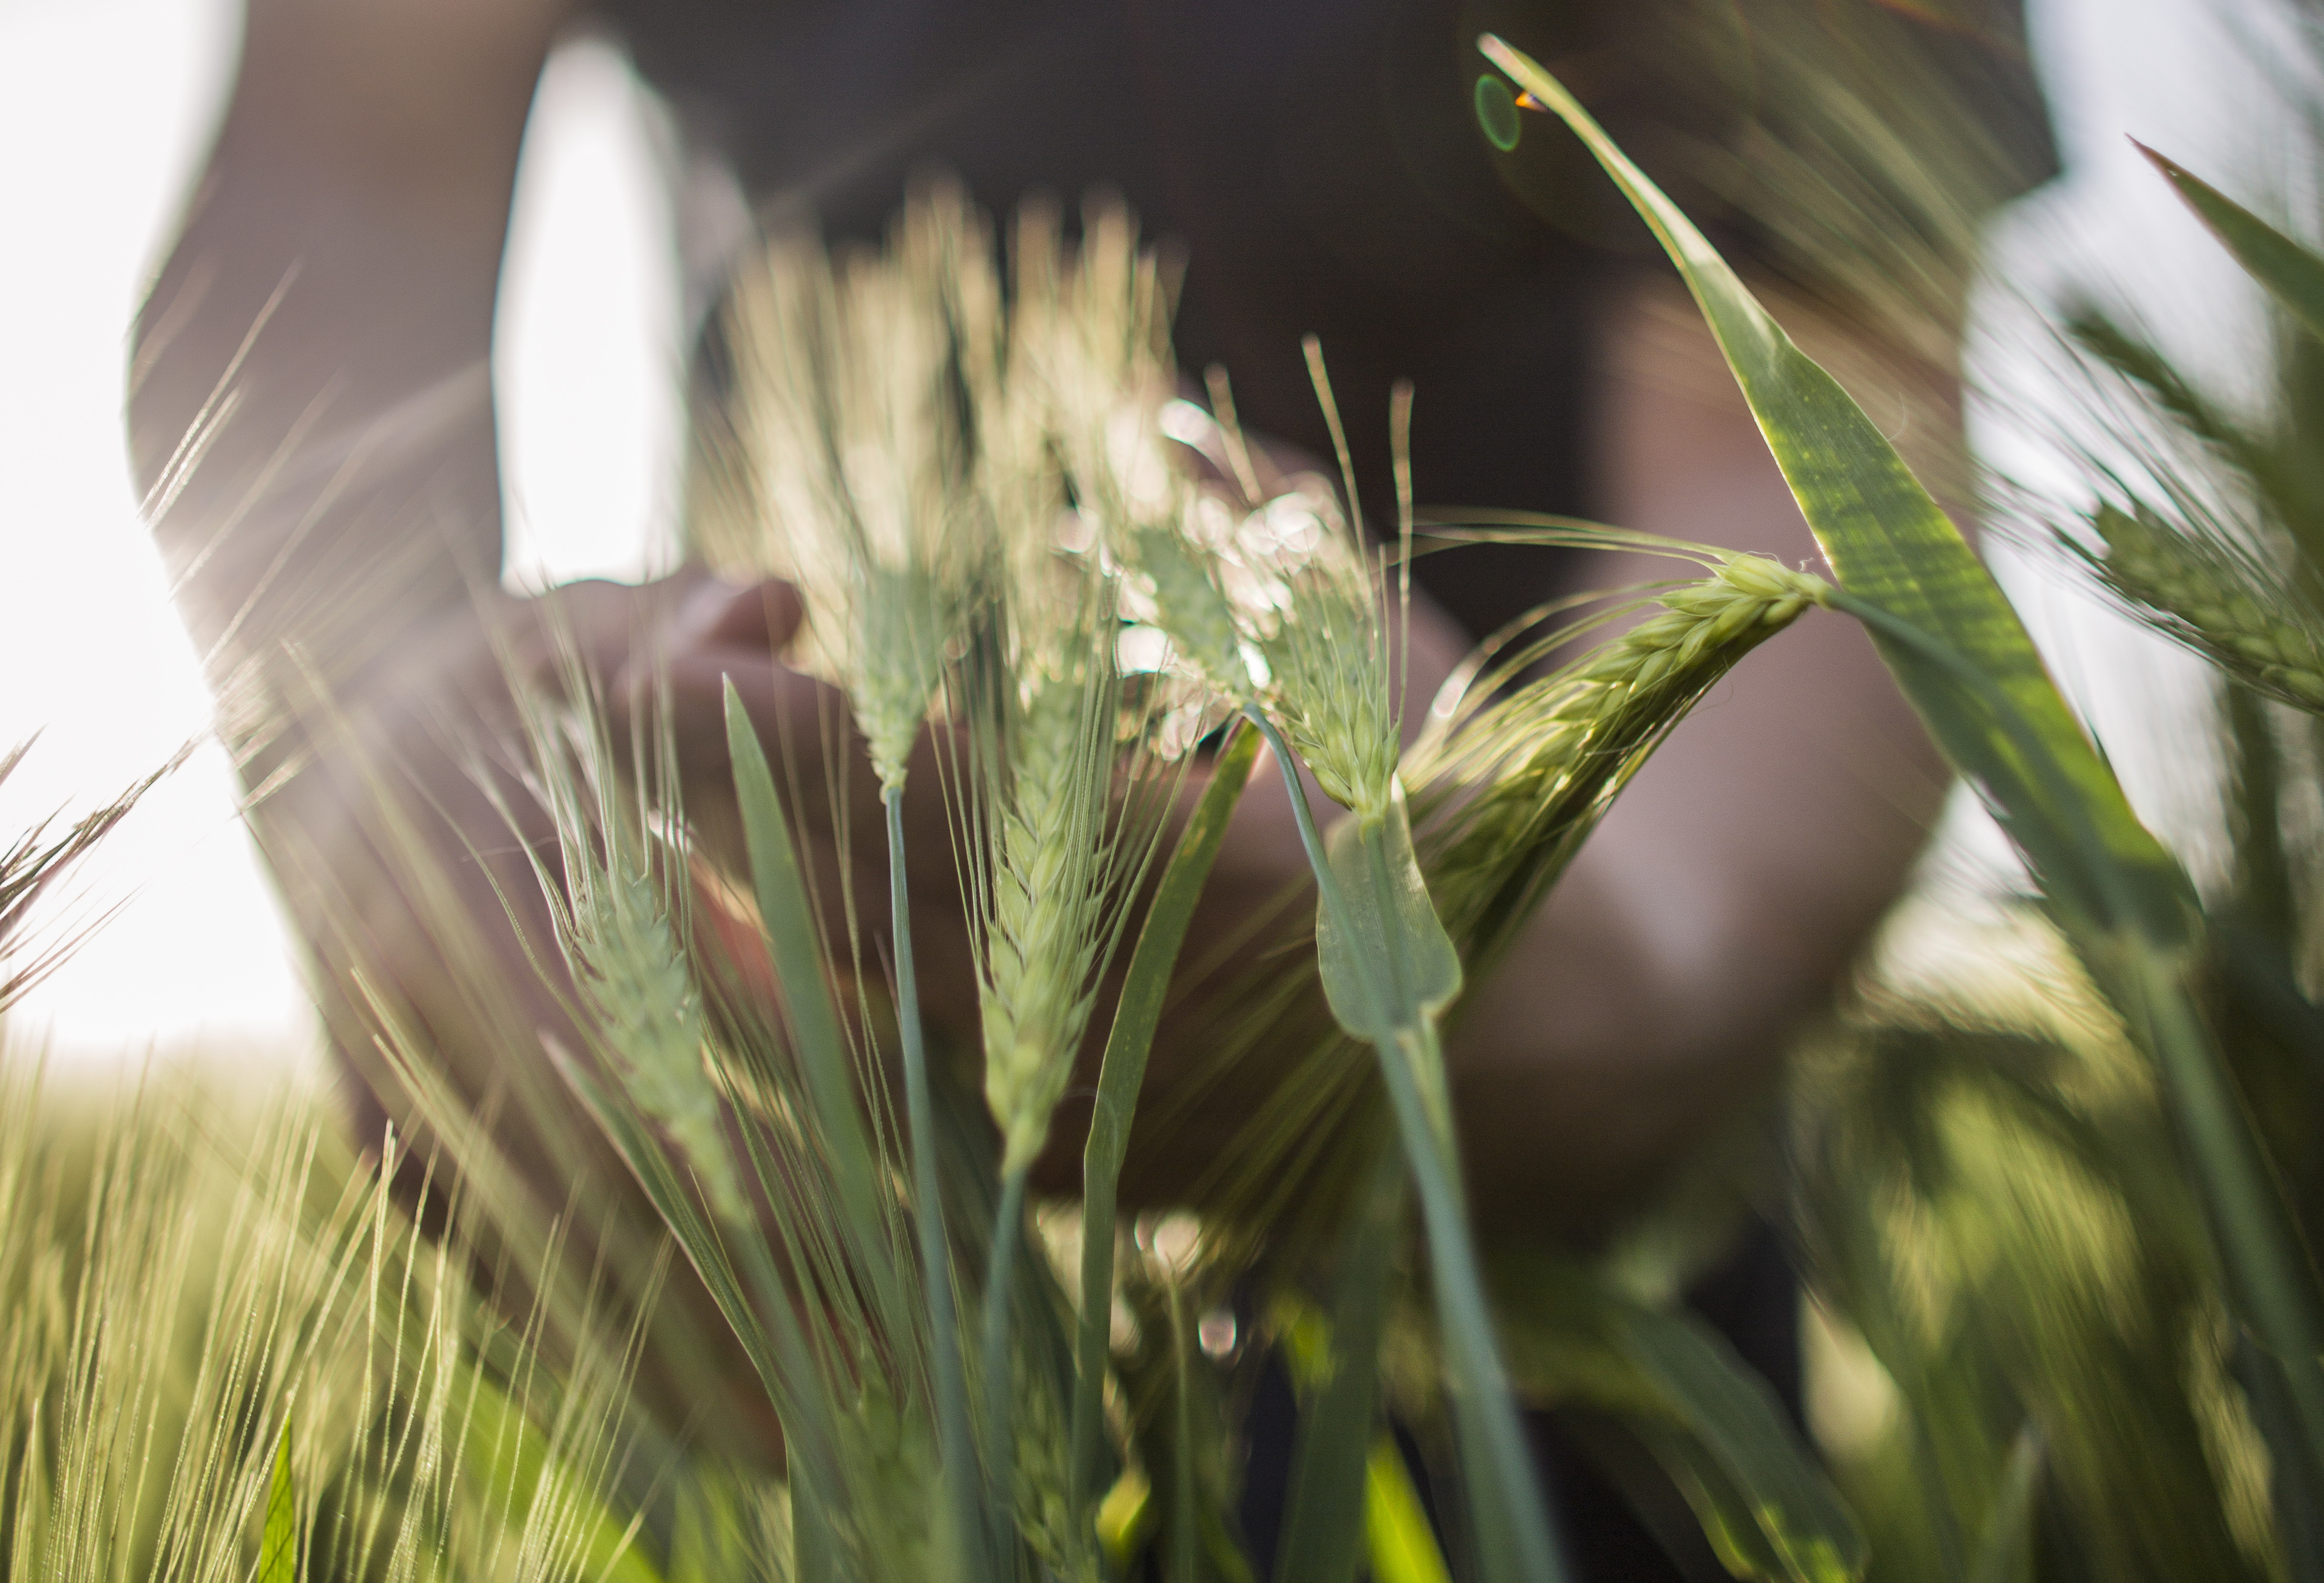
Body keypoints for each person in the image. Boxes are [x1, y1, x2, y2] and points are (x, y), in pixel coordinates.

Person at [126, 0, 2053, 1568]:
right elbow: (342, 162)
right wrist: (372, 729)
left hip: (1565, 1041)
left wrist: (1623, 946)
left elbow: (1810, 388)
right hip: (835, 1074)